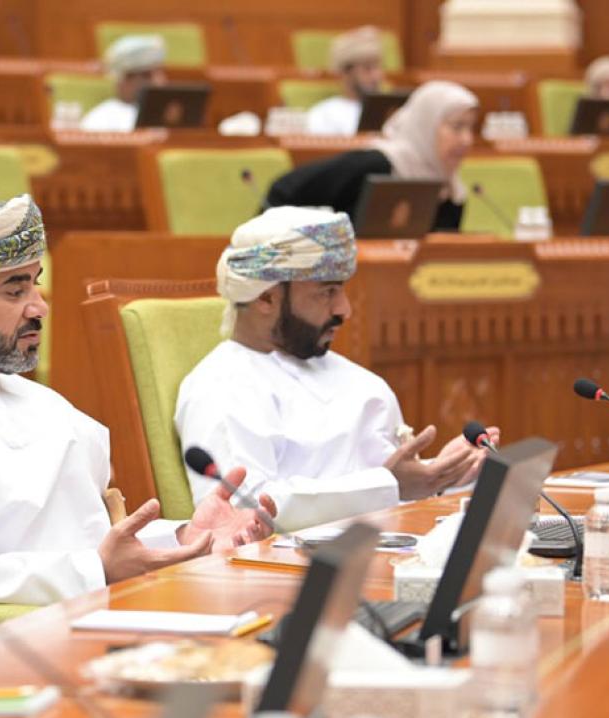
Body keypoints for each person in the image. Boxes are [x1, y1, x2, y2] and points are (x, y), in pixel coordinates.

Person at [0, 195, 276, 604]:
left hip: (100, 616)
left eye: (35, 285)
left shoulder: (41, 403)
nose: (39, 307)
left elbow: (88, 540)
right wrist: (94, 570)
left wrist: (186, 537)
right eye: (15, 292)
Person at [175, 205, 496, 531]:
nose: (344, 309)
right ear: (266, 299)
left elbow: (391, 492)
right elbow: (241, 510)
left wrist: (441, 475)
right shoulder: (221, 385)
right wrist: (388, 484)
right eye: (327, 292)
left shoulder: (359, 381)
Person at [267, 81, 479, 233]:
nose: (467, 140)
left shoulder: (451, 189)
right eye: (457, 127)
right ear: (426, 125)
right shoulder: (376, 163)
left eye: (471, 128)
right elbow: (284, 190)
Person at [306, 26, 386, 137]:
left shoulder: (393, 114)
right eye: (367, 68)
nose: (377, 76)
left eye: (378, 68)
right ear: (345, 72)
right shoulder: (324, 114)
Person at [79, 34, 167, 133]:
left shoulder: (168, 115)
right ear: (124, 80)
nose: (158, 81)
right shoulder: (101, 120)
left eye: (160, 72)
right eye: (147, 75)